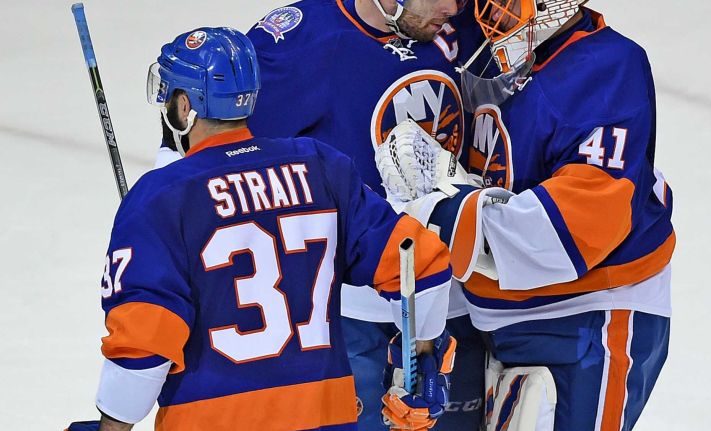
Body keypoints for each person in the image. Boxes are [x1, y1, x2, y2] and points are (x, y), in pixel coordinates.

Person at [83, 27, 456, 431]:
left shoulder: (161, 198)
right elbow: (422, 263)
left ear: (185, 106)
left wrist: (112, 426)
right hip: (326, 419)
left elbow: (146, 338)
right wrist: (419, 362)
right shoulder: (321, 166)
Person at [376, 1, 675, 429]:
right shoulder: (474, 36)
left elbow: (580, 228)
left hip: (586, 314)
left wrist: (446, 211)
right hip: (488, 313)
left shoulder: (607, 67)